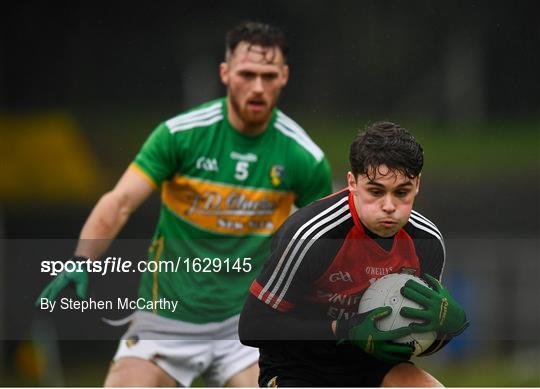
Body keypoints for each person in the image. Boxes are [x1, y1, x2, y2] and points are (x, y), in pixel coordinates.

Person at [37, 21, 332, 387]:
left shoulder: (304, 157)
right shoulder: (180, 135)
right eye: (247, 74)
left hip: (249, 323)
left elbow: (326, 240)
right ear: (225, 73)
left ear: (284, 76)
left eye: (268, 75)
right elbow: (120, 202)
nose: (258, 87)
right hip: (166, 317)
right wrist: (81, 261)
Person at [239, 121, 469, 387]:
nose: (389, 206)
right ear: (353, 182)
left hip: (374, 367)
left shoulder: (426, 241)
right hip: (299, 369)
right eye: (375, 191)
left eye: (402, 193)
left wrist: (446, 329)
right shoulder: (312, 236)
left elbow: (414, 340)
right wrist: (346, 331)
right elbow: (253, 327)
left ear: (417, 185)